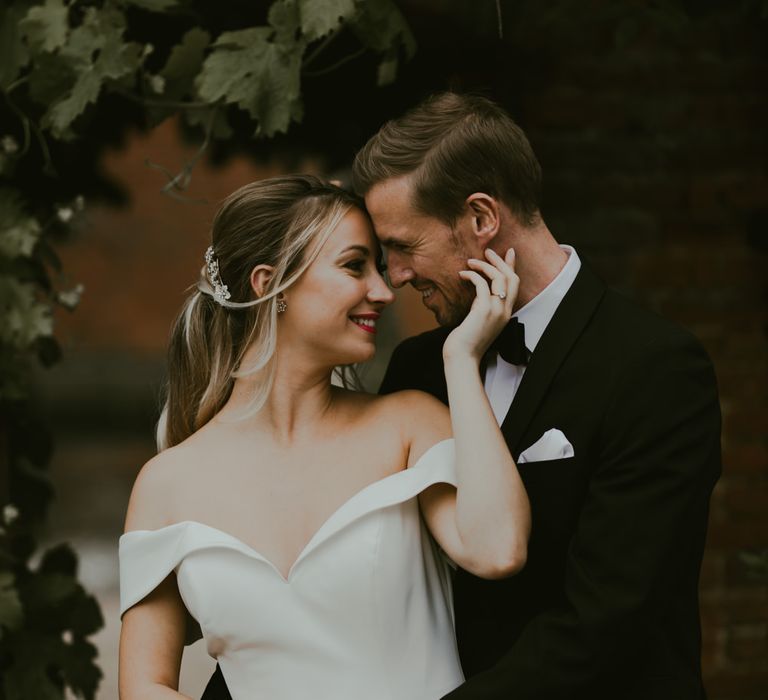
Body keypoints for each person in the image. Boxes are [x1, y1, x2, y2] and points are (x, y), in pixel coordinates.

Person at [350, 92, 722, 700]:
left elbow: (608, 617)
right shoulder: (419, 368)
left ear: (480, 219)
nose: (394, 276)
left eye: (404, 246)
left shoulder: (654, 367)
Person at [118, 175, 531, 700]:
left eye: (380, 268)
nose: (383, 291)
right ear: (269, 284)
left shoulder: (408, 426)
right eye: (354, 265)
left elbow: (497, 550)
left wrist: (462, 357)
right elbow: (143, 687)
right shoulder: (166, 484)